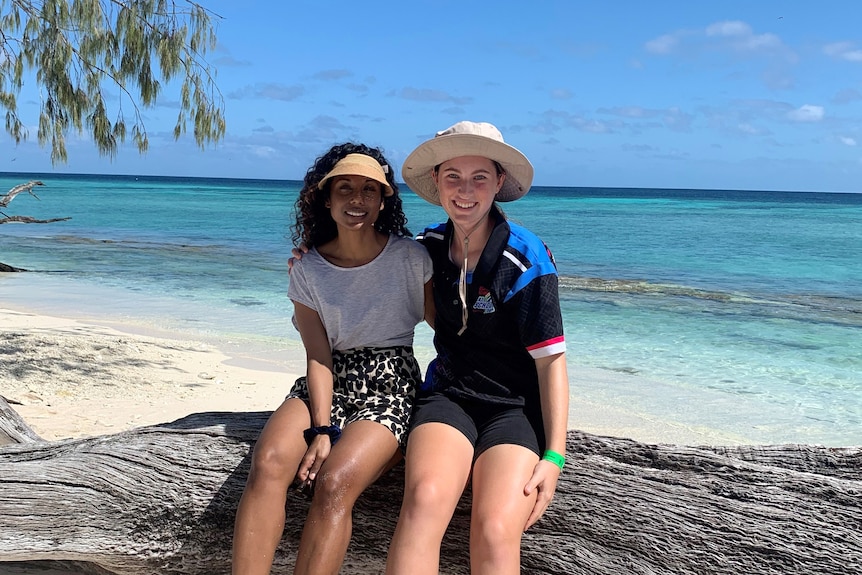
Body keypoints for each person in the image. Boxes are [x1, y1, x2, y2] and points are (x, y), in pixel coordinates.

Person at [232, 143, 433, 575]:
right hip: (327, 376)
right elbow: (318, 355)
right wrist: (322, 428)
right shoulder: (308, 269)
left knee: (335, 482)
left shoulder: (412, 258)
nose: (357, 200)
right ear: (326, 198)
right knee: (267, 463)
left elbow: (449, 328)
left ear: (384, 200)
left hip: (391, 384)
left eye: (368, 190)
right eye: (345, 189)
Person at [385, 121, 569, 575]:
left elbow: (551, 363)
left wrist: (555, 457)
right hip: (449, 397)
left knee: (494, 528)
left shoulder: (525, 258)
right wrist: (312, 255)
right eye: (453, 177)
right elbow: (365, 262)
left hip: (515, 407)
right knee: (423, 503)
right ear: (438, 183)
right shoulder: (426, 247)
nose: (464, 190)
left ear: (499, 182)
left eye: (479, 177)